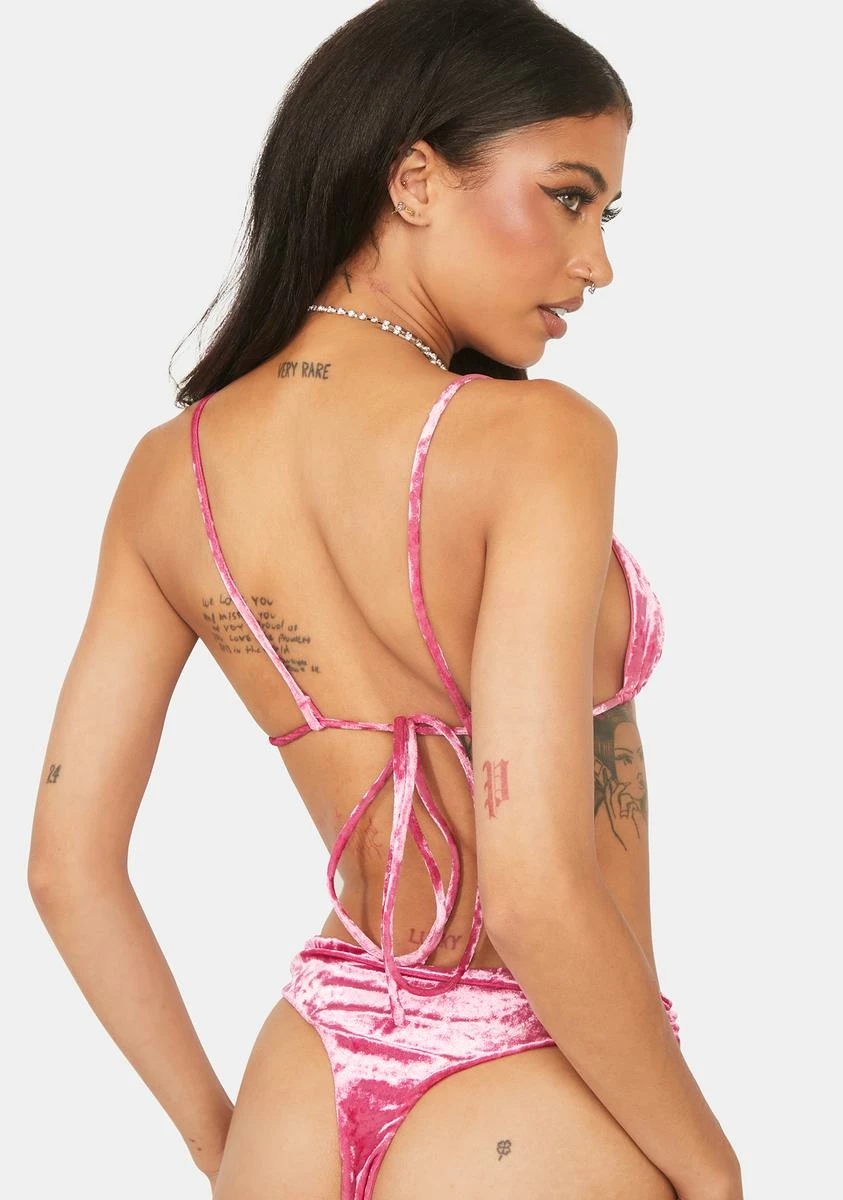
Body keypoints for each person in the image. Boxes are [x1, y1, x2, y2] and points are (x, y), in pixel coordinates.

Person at [27, 1, 743, 1197]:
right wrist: (709, 1168)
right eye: (568, 197)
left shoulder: (166, 474)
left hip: (299, 1090)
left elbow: (66, 868)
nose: (596, 262)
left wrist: (227, 1149)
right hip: (529, 1084)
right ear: (414, 179)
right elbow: (530, 887)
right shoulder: (536, 439)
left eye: (605, 215)